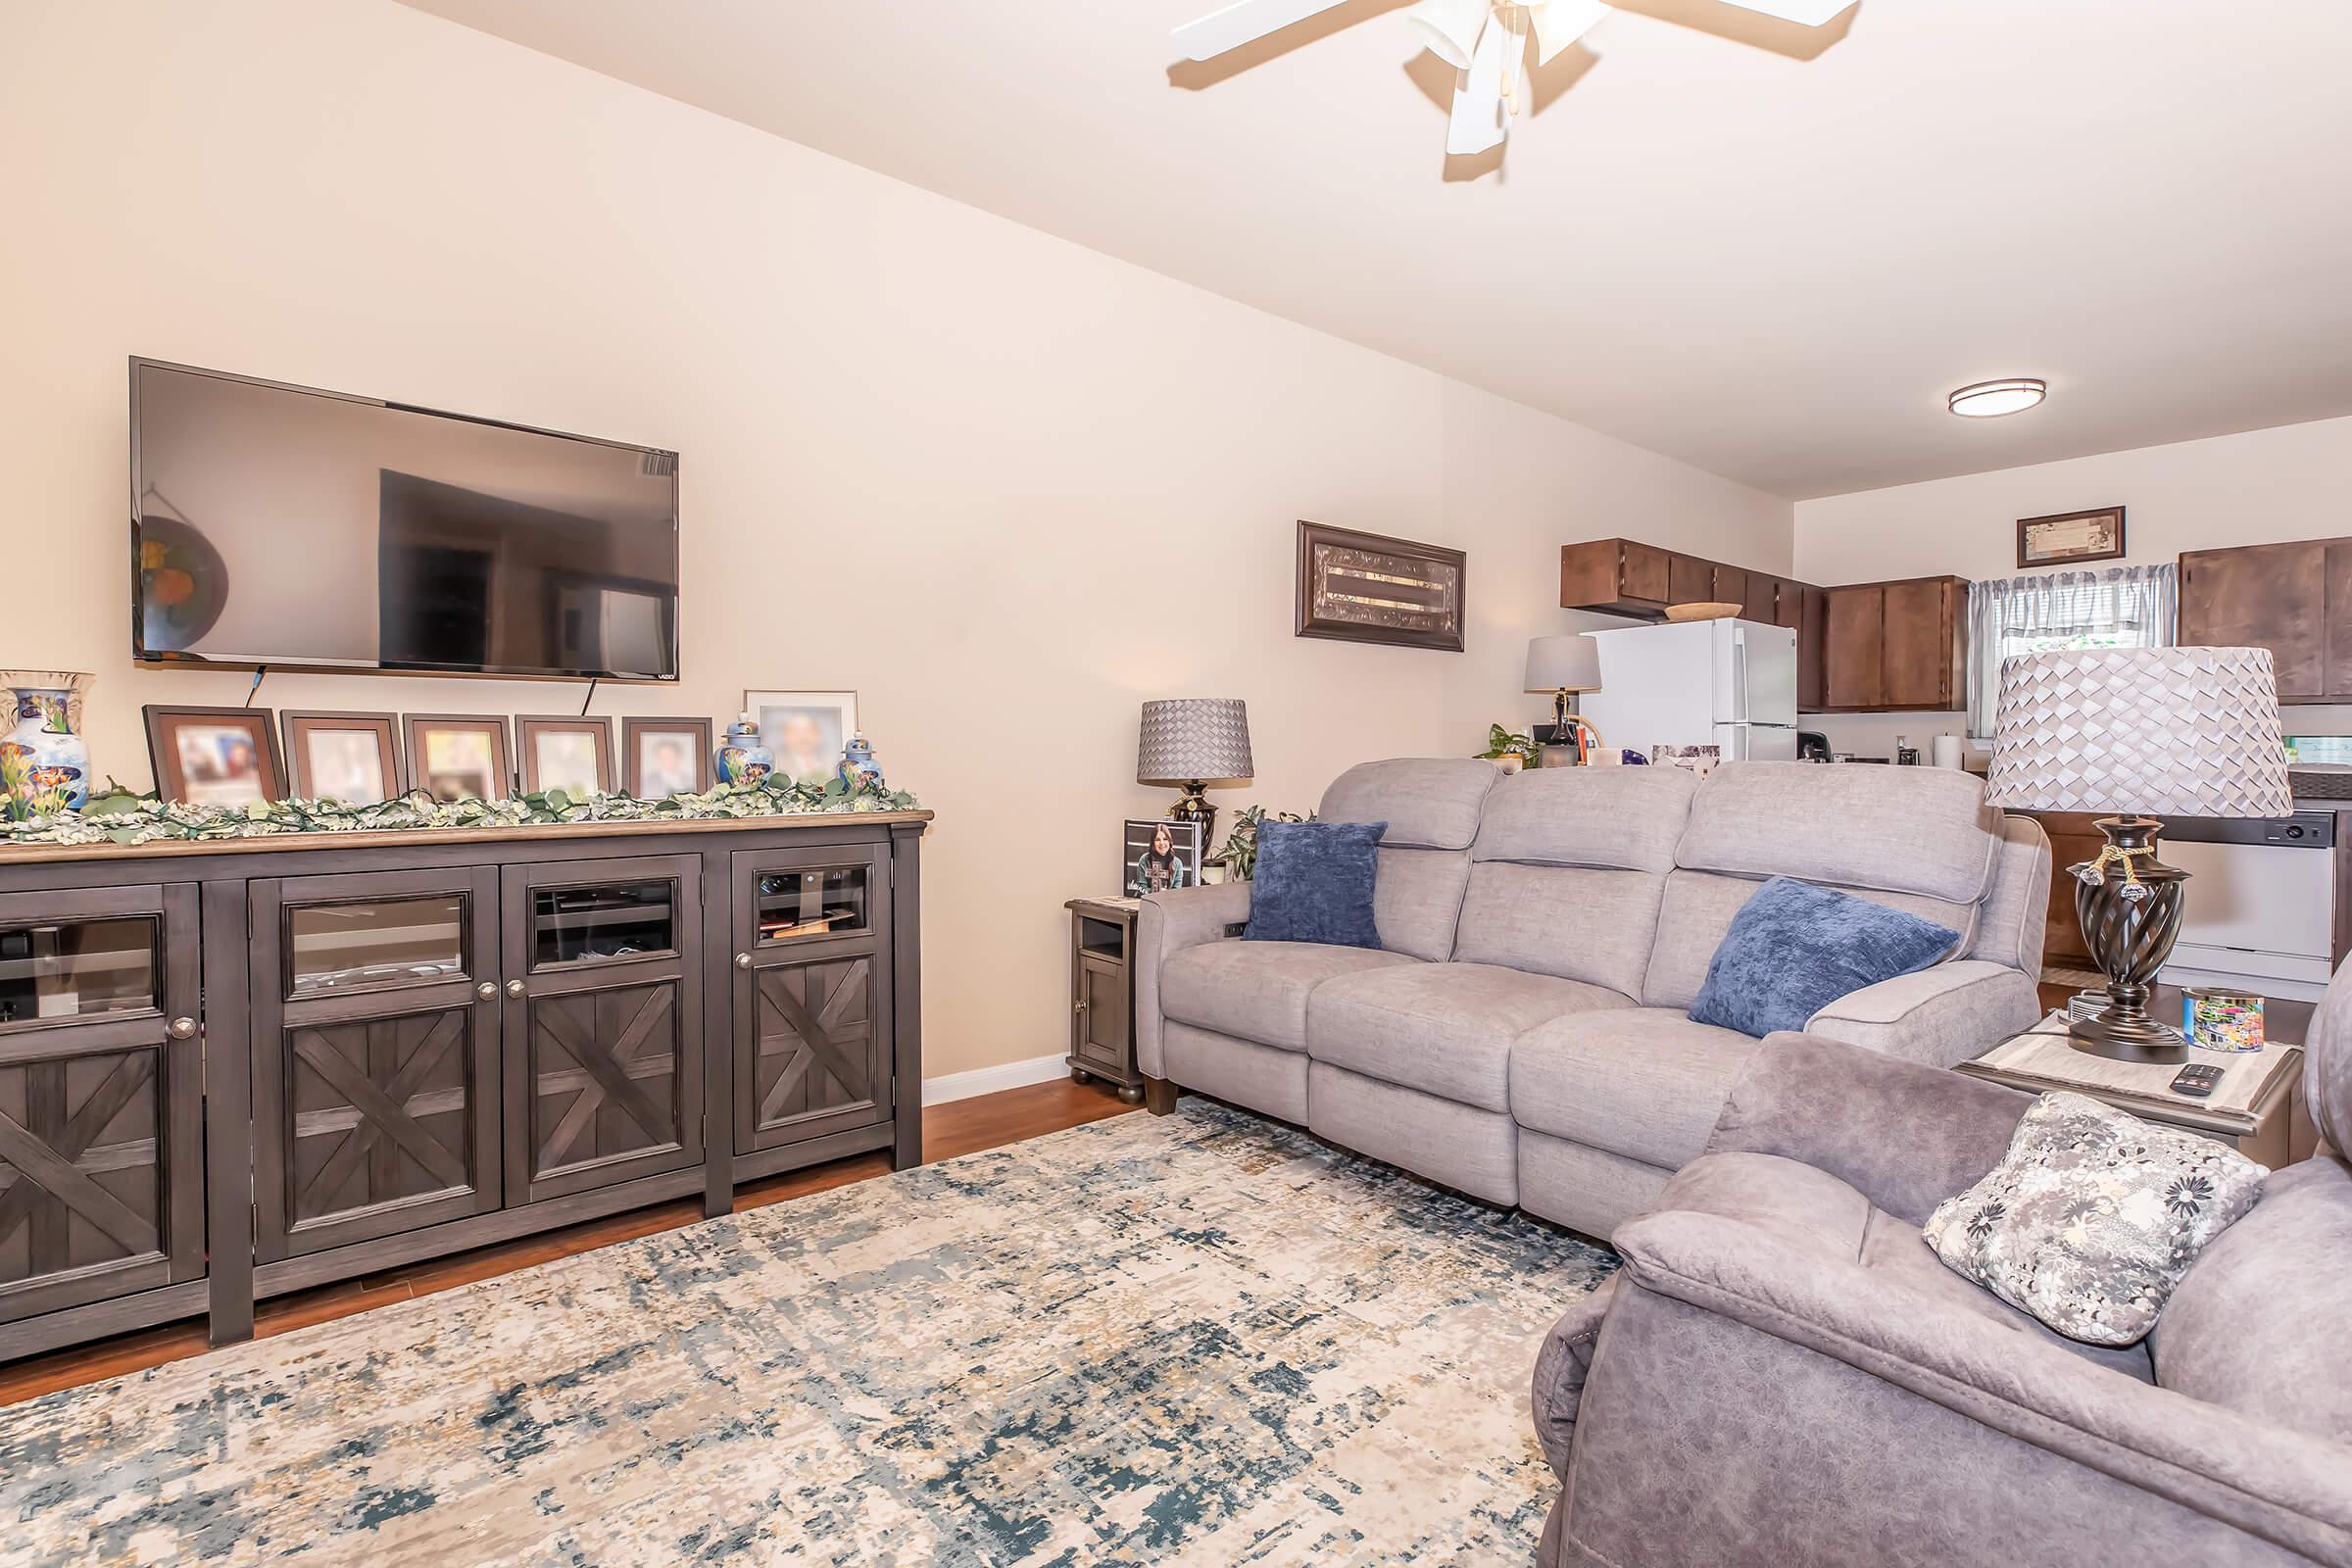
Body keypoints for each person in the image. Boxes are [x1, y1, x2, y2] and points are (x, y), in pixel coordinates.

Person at [1132, 823, 1191, 895]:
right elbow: (1141, 888)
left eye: (1165, 839)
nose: (1162, 843)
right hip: (1147, 900)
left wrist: (1163, 895)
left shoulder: (1177, 863)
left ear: (1169, 841)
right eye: (1157, 840)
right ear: (1153, 843)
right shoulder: (1144, 860)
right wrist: (1157, 893)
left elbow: (1176, 890)